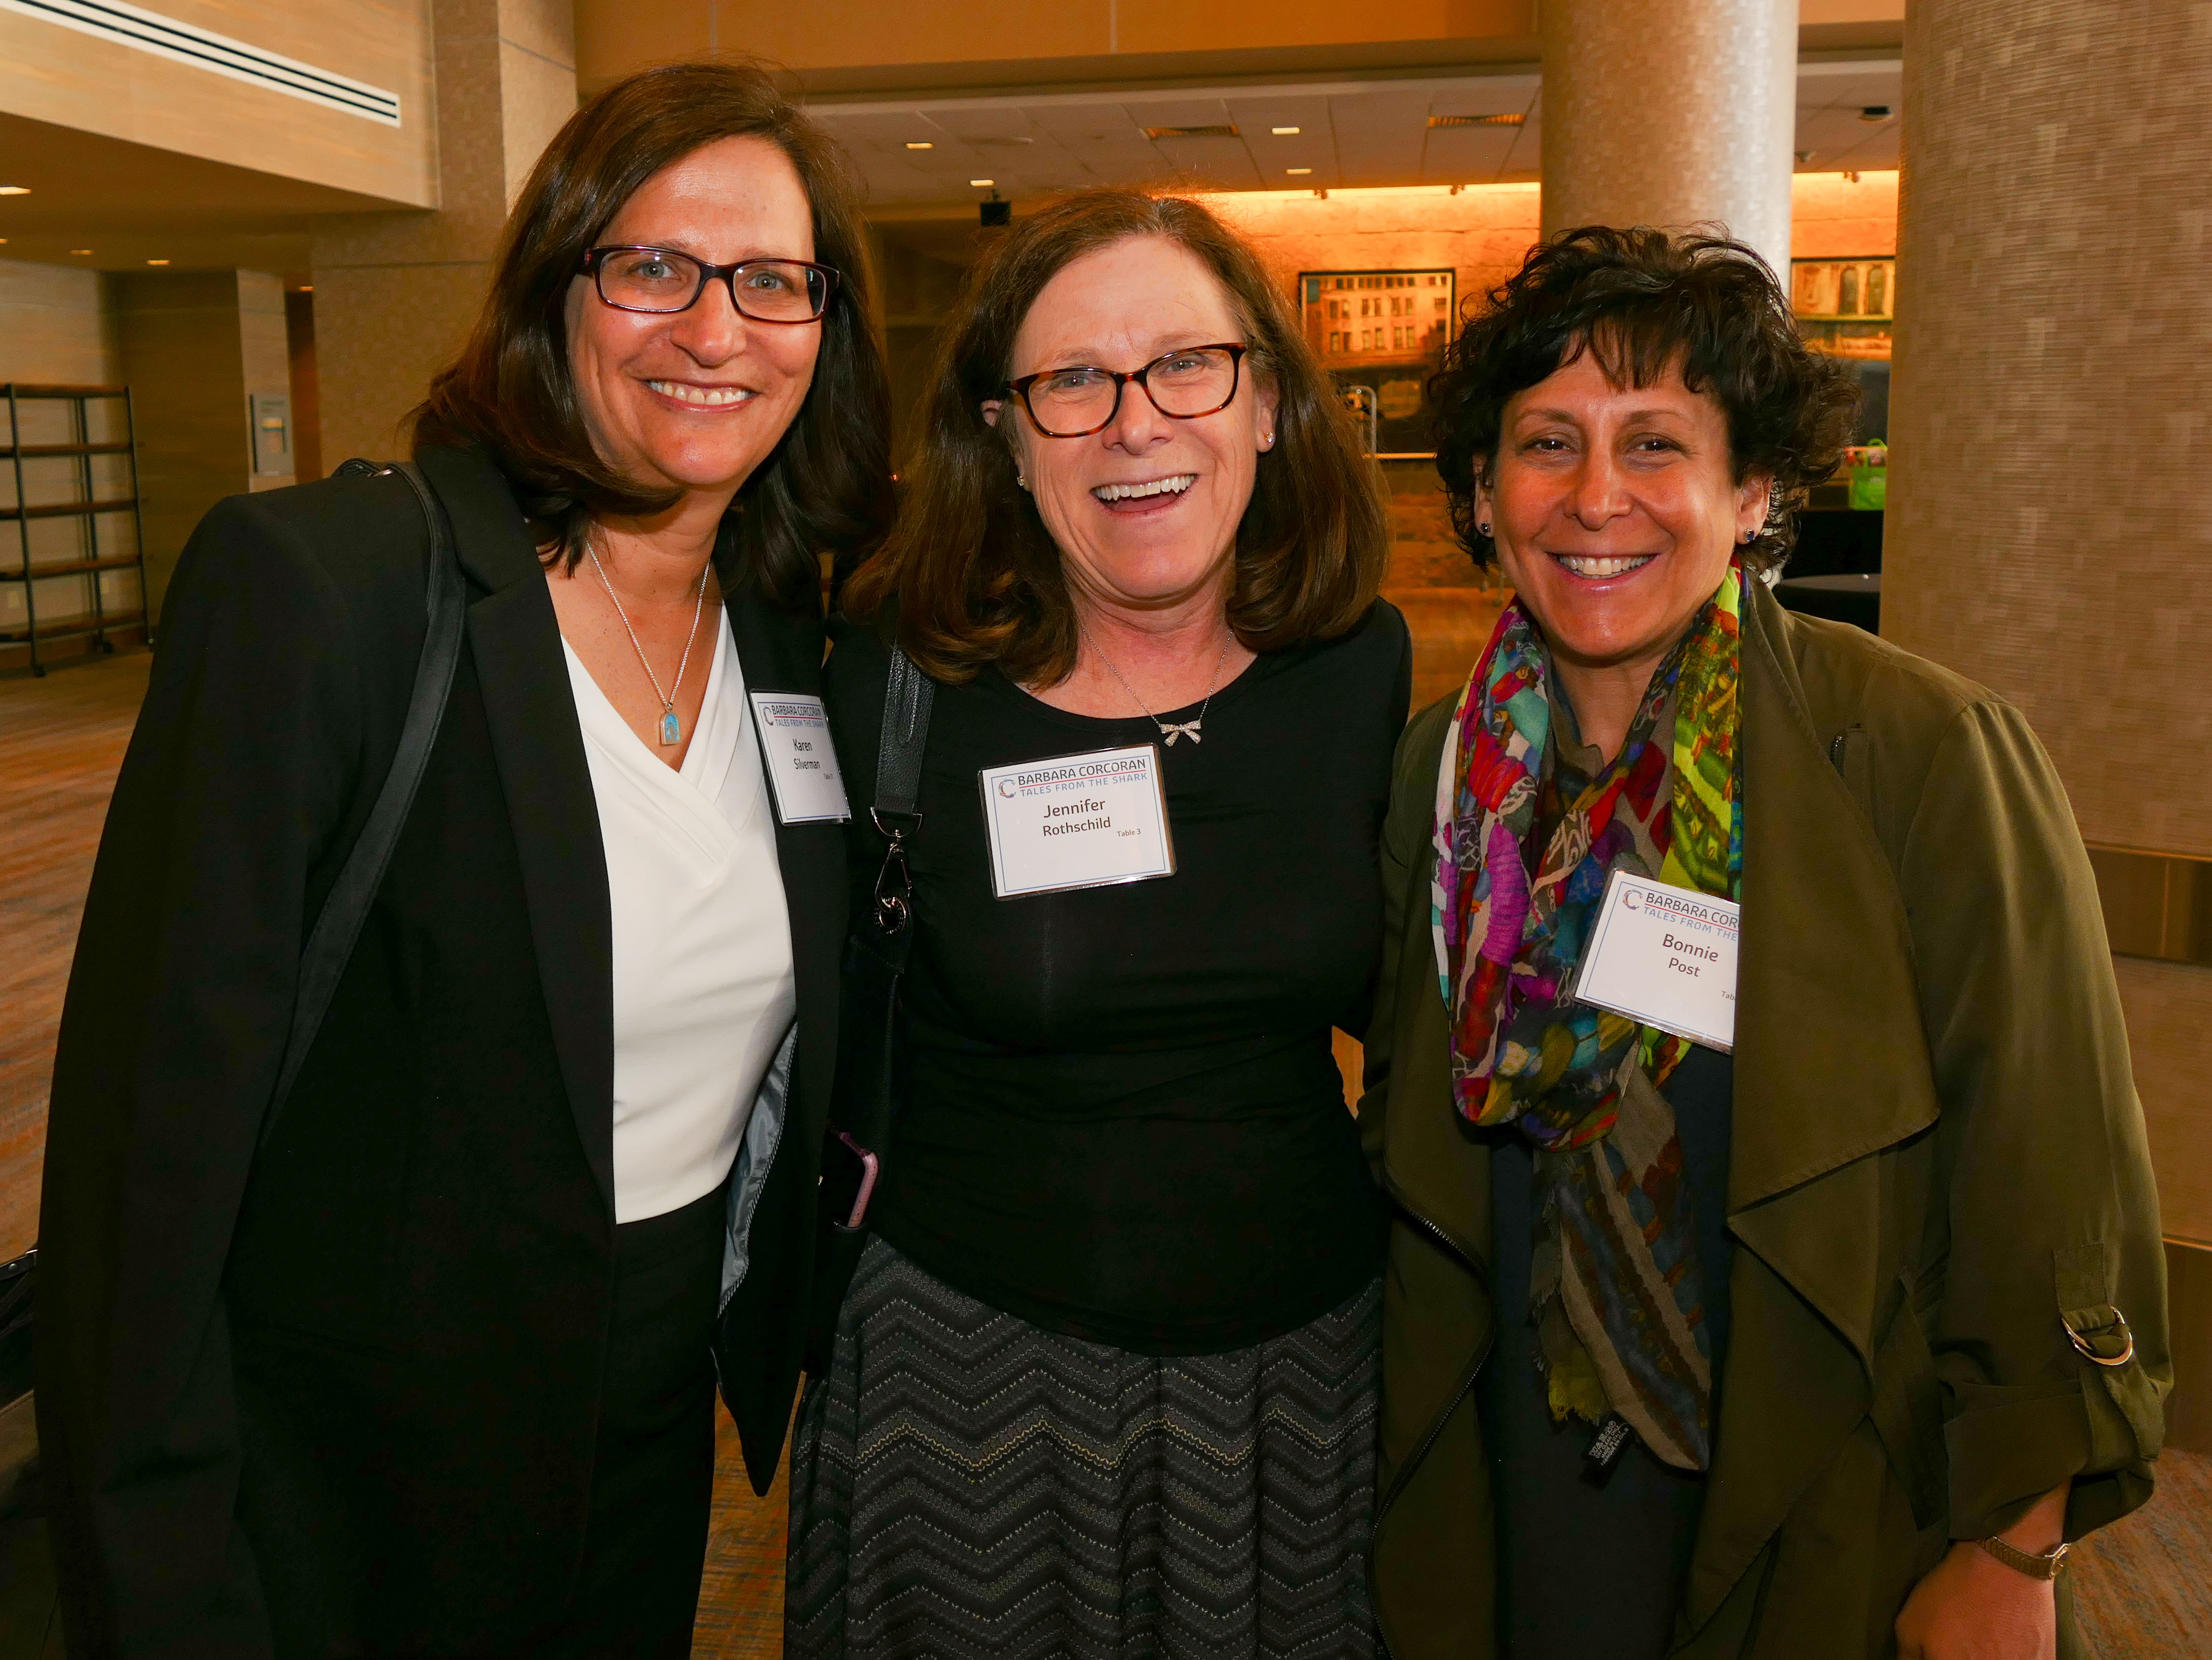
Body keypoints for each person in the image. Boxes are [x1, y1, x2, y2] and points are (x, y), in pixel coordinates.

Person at [38, 61, 890, 1657]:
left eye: (773, 280)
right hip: (345, 1480)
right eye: (651, 266)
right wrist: (162, 1579)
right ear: (554, 288)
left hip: (645, 1441)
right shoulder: (332, 590)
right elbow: (144, 1162)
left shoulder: (787, 639)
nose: (717, 329)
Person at [1359, 225, 2170, 1660]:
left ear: (1748, 493)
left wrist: (2010, 1548)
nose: (1595, 496)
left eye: (1657, 444)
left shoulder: (1914, 750)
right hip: (1513, 1471)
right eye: (1547, 442)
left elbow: (2041, 1170)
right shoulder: (1441, 774)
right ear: (1482, 498)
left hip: (1818, 1480)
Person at [787, 188, 1406, 1658]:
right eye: (1071, 381)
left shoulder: (1357, 669)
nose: (1134, 422)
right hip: (970, 1380)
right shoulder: (895, 682)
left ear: (1265, 402)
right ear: (1000, 434)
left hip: (1304, 1387)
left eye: (1185, 365)